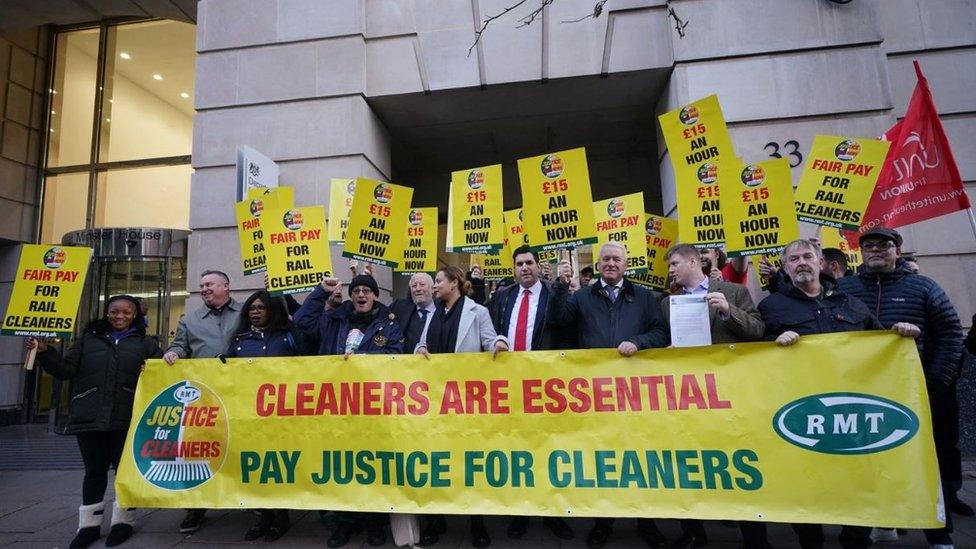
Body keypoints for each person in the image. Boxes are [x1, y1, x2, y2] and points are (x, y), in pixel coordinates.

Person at [759, 239, 920, 549]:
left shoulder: (850, 302)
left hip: (849, 410)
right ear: (786, 267)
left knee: (855, 477)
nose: (802, 262)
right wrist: (773, 341)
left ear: (821, 263)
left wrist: (901, 336)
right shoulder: (771, 307)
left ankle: (855, 537)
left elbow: (879, 342)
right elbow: (755, 354)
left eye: (808, 256)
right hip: (800, 410)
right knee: (805, 481)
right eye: (794, 259)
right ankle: (810, 539)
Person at [837, 227, 965, 548]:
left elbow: (951, 336)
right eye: (869, 246)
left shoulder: (923, 287)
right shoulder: (844, 288)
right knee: (859, 464)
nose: (876, 250)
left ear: (897, 251)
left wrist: (932, 384)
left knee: (923, 465)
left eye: (884, 245)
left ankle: (939, 534)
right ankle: (858, 533)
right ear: (862, 252)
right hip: (859, 395)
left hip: (914, 395)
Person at [548, 242, 669, 549]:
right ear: (599, 264)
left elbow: (661, 332)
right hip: (596, 392)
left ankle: (647, 521)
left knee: (640, 458)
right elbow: (558, 321)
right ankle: (603, 522)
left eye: (617, 259)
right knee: (603, 459)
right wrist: (561, 287)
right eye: (606, 259)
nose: (611, 263)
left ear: (626, 264)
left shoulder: (644, 296)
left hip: (636, 392)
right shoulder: (583, 296)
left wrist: (637, 342)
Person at [29, 295, 160, 548]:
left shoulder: (146, 343)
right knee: (94, 472)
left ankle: (123, 522)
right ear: (106, 313)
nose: (119, 316)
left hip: (127, 418)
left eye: (126, 312)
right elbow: (66, 370)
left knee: (125, 473)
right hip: (89, 416)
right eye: (114, 312)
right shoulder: (88, 339)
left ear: (135, 315)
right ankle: (88, 526)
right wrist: (45, 353)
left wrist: (155, 368)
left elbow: (160, 374)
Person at [660, 244, 766, 549]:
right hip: (688, 397)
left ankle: (754, 536)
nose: (671, 270)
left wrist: (728, 312)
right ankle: (694, 532)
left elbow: (759, 331)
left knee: (740, 467)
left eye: (675, 264)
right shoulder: (670, 303)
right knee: (687, 466)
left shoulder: (733, 292)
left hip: (730, 395)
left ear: (695, 261)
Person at [293, 273, 404, 547]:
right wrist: (320, 292)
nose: (361, 295)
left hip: (373, 408)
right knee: (341, 467)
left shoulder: (389, 324)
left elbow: (397, 357)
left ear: (375, 295)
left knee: (372, 467)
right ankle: (344, 522)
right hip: (336, 408)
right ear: (351, 295)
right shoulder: (333, 319)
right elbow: (301, 322)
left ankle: (374, 522)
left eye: (367, 290)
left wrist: (361, 362)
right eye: (357, 291)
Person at [416, 266, 507, 548]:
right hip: (436, 401)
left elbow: (490, 339)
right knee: (437, 463)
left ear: (454, 283)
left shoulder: (477, 312)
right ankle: (436, 520)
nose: (434, 286)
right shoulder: (434, 313)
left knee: (470, 465)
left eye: (439, 281)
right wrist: (419, 349)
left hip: (465, 402)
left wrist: (501, 343)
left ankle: (477, 524)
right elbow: (423, 344)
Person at [489, 245, 575, 542]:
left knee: (549, 450)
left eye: (529, 263)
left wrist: (563, 286)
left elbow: (564, 324)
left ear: (539, 266)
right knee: (518, 453)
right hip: (510, 386)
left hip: (544, 387)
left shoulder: (552, 293)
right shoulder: (503, 297)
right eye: (520, 264)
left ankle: (553, 513)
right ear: (514, 268)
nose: (525, 268)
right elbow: (492, 331)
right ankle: (520, 512)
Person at [162, 269, 242, 533]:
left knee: (240, 444)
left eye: (209, 284)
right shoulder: (190, 319)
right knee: (199, 449)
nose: (204, 289)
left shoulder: (246, 312)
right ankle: (195, 506)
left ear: (226, 286)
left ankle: (249, 498)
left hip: (240, 393)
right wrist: (174, 353)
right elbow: (180, 345)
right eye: (201, 285)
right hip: (204, 396)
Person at [227, 291, 307, 542]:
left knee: (277, 467)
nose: (255, 311)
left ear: (272, 310)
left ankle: (280, 519)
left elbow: (308, 364)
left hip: (282, 415)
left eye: (261, 307)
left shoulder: (287, 336)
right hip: (249, 415)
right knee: (255, 468)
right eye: (252, 307)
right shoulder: (239, 338)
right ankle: (263, 516)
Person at [389, 272, 436, 353]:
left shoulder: (443, 311)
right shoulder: (400, 308)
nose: (417, 289)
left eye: (422, 284)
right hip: (407, 363)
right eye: (414, 286)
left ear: (432, 289)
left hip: (438, 362)